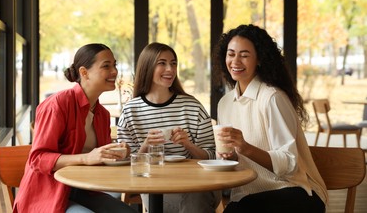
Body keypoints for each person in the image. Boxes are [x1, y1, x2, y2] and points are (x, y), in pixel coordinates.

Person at [212, 24, 328, 213]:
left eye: (244, 55)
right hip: (247, 196)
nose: (235, 61)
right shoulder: (225, 103)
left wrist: (245, 148)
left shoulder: (272, 98)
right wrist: (230, 156)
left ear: (259, 60)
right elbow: (238, 159)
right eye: (231, 54)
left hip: (294, 192)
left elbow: (289, 162)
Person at [13, 43, 137, 213]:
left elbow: (101, 159)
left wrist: (119, 153)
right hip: (47, 193)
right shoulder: (57, 105)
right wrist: (86, 158)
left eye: (114, 65)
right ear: (84, 72)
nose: (114, 71)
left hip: (84, 189)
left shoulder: (102, 114)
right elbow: (38, 158)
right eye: (106, 66)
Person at [117, 42, 221, 213]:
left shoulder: (192, 106)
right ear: (148, 67)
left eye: (173, 63)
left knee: (194, 196)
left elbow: (212, 155)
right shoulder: (130, 111)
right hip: (155, 187)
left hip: (198, 185)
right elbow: (125, 163)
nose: (170, 69)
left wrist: (188, 145)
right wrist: (145, 145)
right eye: (162, 63)